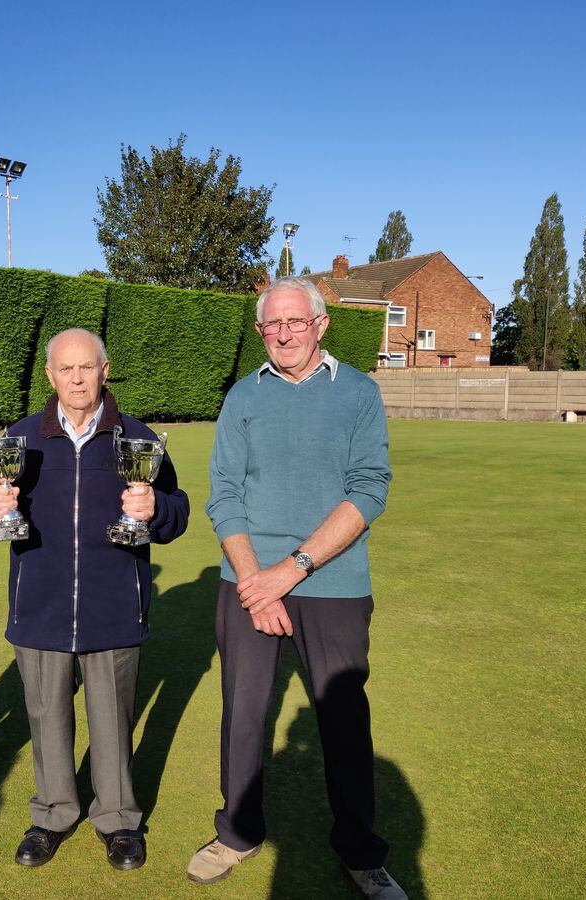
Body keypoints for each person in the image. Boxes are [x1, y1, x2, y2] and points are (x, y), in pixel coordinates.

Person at [185, 277, 404, 899]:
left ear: (321, 324)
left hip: (332, 583)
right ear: (260, 331)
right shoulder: (242, 397)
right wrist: (257, 581)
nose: (283, 334)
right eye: (271, 325)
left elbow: (368, 490)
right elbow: (224, 495)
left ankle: (361, 852)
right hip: (248, 580)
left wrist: (290, 571)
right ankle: (237, 833)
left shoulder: (359, 391)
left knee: (341, 719)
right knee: (244, 713)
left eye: (295, 322)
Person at [0, 328, 189, 872]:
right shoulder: (20, 439)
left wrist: (154, 507)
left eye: (86, 368)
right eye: (65, 369)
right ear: (49, 375)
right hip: (40, 607)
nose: (76, 379)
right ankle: (51, 815)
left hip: (114, 608)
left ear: (104, 370)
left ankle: (118, 821)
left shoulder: (138, 439)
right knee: (46, 718)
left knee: (113, 721)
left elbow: (177, 510)